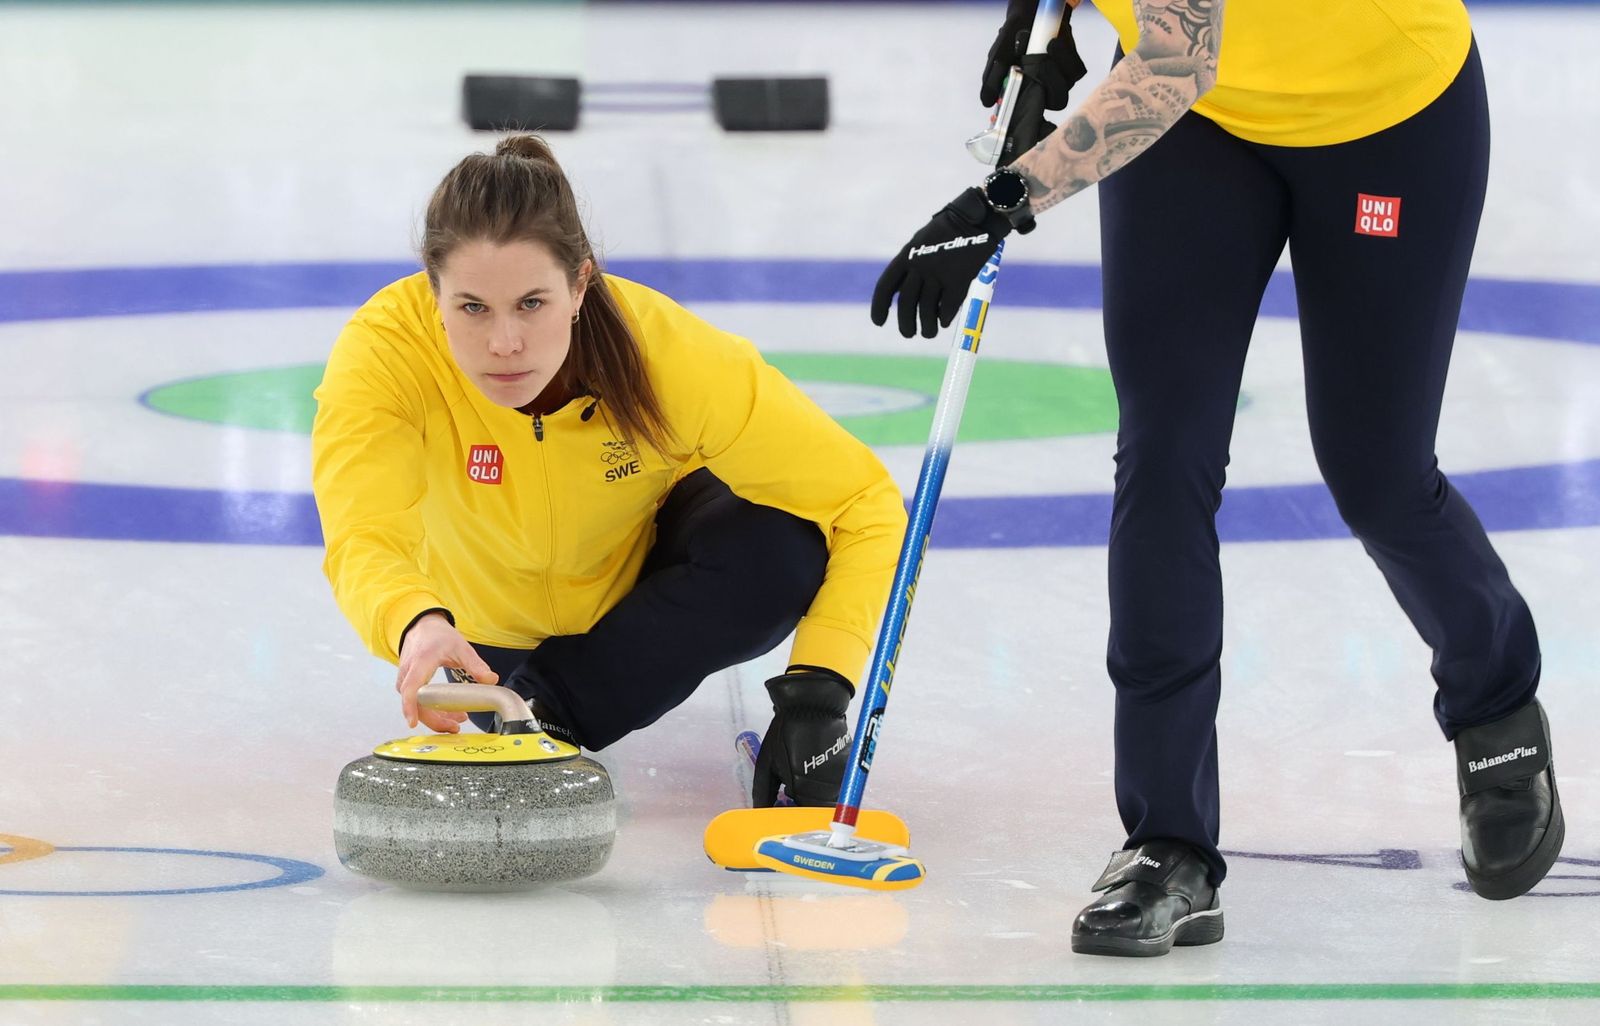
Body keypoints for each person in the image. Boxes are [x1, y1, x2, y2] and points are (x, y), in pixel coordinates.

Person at [872, 0, 1562, 955]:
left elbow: (1171, 67)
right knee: (1163, 455)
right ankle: (1168, 844)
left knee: (1377, 470)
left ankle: (1497, 711)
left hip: (1383, 113)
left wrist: (996, 204)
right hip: (1201, 130)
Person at [313, 134, 906, 810]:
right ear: (434, 292)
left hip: (632, 594)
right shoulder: (384, 352)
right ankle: (537, 703)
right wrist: (413, 620)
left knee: (782, 547)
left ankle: (553, 708)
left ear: (580, 285)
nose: (504, 343)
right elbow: (361, 530)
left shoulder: (668, 355)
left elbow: (864, 501)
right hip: (480, 652)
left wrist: (818, 693)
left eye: (532, 303)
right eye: (471, 307)